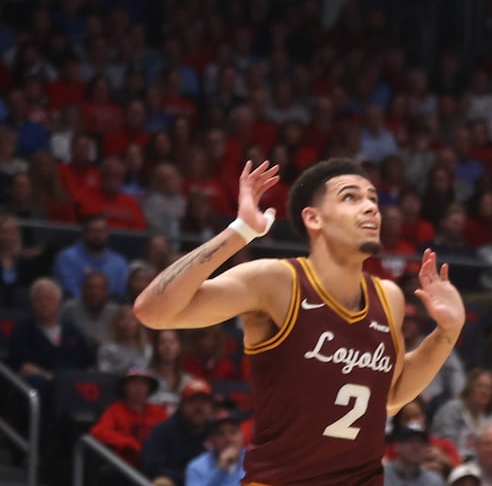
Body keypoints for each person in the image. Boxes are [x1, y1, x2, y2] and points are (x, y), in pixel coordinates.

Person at [134, 159, 465, 486]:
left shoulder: (389, 296)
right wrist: (240, 232)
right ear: (313, 218)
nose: (370, 208)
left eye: (373, 198)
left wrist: (446, 334)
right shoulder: (278, 281)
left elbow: (390, 399)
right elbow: (153, 310)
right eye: (351, 197)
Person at [184, 413, 246, 486]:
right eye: (221, 434)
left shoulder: (253, 459)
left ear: (242, 435)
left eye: (233, 432)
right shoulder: (196, 468)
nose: (229, 439)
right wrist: (220, 472)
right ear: (212, 439)